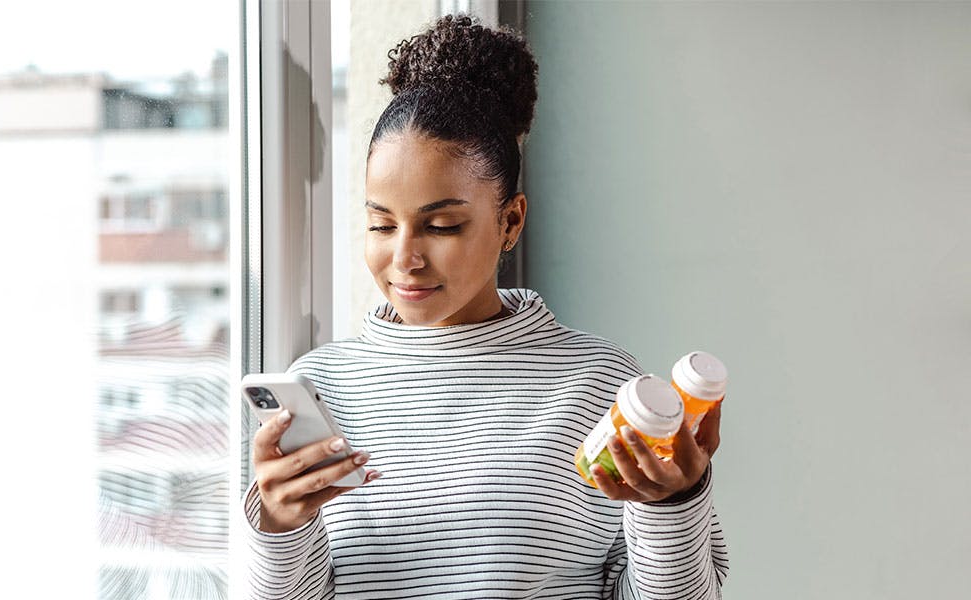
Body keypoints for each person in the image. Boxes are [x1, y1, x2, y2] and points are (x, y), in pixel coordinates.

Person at [243, 14, 729, 600]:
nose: (404, 258)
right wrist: (280, 525)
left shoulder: (599, 385)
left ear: (510, 221)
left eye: (441, 225)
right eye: (380, 223)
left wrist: (673, 505)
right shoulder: (321, 388)